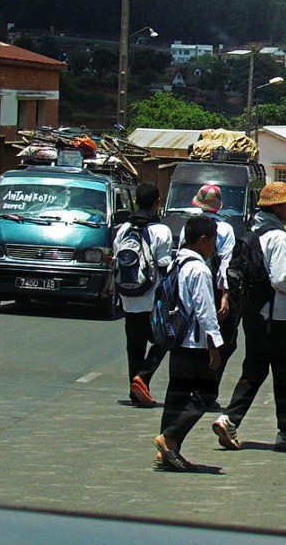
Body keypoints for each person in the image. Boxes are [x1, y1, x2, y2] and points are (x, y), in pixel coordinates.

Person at [213, 182, 286, 452]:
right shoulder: (277, 236)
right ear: (276, 207)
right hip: (273, 315)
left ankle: (230, 419)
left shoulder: (253, 230)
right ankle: (284, 431)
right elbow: (280, 279)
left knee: (254, 369)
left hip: (252, 312)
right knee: (283, 375)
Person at [153, 215, 224, 471]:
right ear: (203, 240)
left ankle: (168, 450)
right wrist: (214, 345)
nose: (214, 247)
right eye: (213, 241)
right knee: (206, 394)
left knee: (177, 394)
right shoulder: (200, 269)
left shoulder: (177, 262)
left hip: (176, 338)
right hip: (195, 342)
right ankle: (170, 438)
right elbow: (205, 311)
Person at [113, 182, 173, 407]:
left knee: (134, 347)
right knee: (165, 340)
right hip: (152, 299)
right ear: (157, 202)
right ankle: (144, 377)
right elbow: (164, 265)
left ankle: (134, 391)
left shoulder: (123, 230)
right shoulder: (160, 231)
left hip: (128, 297)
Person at [179, 184, 236, 380]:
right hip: (215, 287)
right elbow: (226, 264)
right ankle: (208, 388)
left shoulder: (189, 226)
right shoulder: (226, 229)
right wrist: (225, 296)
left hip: (187, 287)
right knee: (221, 336)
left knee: (192, 332)